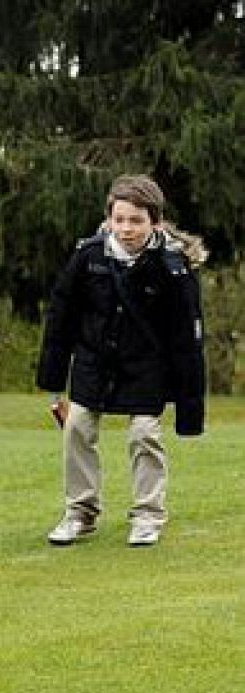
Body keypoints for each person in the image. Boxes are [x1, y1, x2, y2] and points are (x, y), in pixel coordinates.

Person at [36, 174, 206, 548]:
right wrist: (52, 380)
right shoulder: (87, 257)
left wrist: (190, 407)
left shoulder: (174, 269)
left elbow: (187, 340)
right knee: (77, 427)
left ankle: (148, 516)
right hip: (93, 363)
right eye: (119, 220)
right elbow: (60, 318)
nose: (126, 229)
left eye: (136, 221)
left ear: (155, 222)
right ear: (109, 218)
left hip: (148, 367)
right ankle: (80, 513)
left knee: (144, 433)